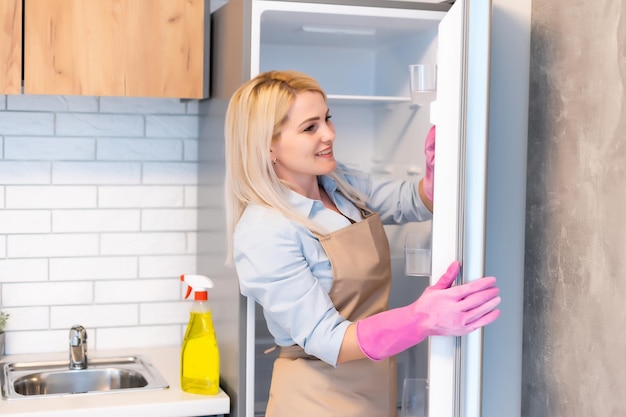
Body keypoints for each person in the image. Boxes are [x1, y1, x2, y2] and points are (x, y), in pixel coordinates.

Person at [224, 70, 501, 417]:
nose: (329, 134)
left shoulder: (339, 183)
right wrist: (419, 318)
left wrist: (433, 179)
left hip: (376, 385)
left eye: (327, 118)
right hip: (316, 398)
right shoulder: (264, 231)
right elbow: (328, 339)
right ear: (268, 144)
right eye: (310, 128)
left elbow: (408, 201)